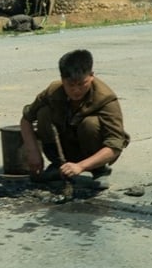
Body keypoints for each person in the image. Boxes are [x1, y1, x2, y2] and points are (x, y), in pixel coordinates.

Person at [19, 49, 130, 189]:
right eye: (70, 85)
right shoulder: (53, 91)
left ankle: (99, 169)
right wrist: (33, 152)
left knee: (90, 124)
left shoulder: (106, 99)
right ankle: (59, 164)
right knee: (44, 113)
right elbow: (26, 119)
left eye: (82, 84)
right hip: (66, 145)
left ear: (91, 76)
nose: (76, 90)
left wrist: (80, 166)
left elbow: (115, 145)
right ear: (62, 79)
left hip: (92, 150)